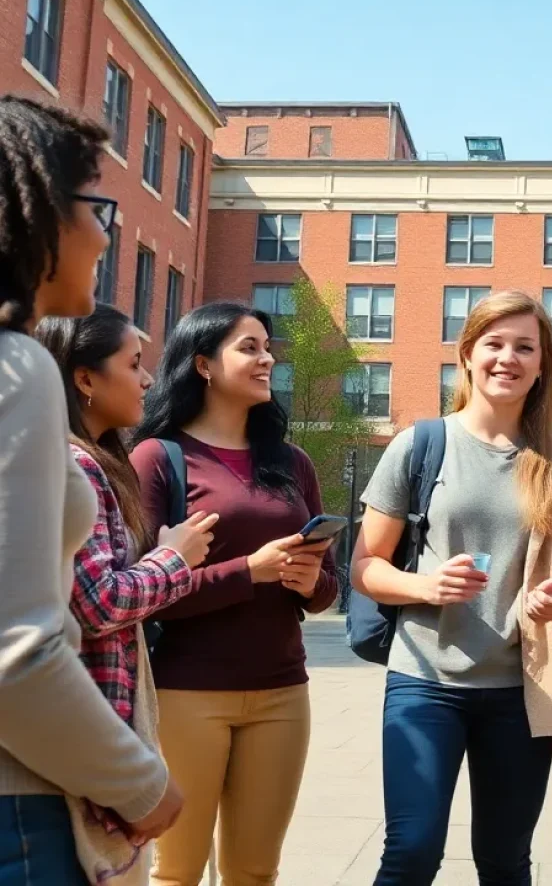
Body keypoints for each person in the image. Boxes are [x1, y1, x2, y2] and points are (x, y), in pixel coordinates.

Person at [351, 289, 552, 886]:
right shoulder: (420, 444)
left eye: (524, 347)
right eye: (494, 344)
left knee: (504, 862)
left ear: (542, 365)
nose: (507, 358)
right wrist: (425, 585)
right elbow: (365, 566)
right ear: (466, 354)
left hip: (521, 690)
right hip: (423, 682)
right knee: (411, 852)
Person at [0, 96, 182, 884]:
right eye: (94, 205)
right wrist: (144, 787)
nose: (107, 233)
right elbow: (15, 649)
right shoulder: (18, 367)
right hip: (21, 805)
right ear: (34, 209)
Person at [130, 301, 339, 886]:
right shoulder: (157, 458)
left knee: (255, 871)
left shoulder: (292, 462)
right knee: (176, 870)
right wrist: (250, 571)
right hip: (184, 693)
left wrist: (309, 581)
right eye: (249, 348)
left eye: (268, 348)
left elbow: (327, 589)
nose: (267, 358)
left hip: (281, 693)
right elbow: (141, 591)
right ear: (202, 364)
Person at [36, 305, 219, 881]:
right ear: (84, 379)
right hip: (81, 751)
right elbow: (100, 604)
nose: (147, 379)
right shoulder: (76, 464)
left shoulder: (92, 461)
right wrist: (175, 557)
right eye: (135, 364)